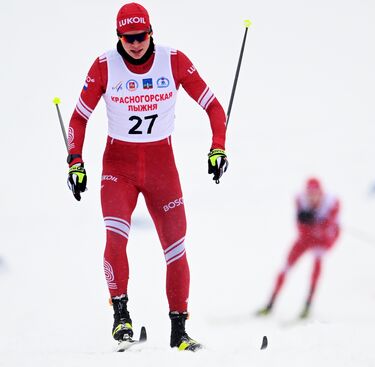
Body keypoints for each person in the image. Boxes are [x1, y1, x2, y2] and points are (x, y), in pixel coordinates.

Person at [65, 2, 228, 351]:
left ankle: (179, 330)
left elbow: (214, 106)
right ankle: (121, 317)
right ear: (118, 37)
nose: (135, 44)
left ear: (151, 32)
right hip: (118, 168)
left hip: (161, 168)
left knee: (176, 248)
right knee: (116, 235)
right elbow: (78, 118)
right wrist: (75, 163)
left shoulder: (174, 61)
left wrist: (218, 148)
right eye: (128, 38)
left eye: (140, 36)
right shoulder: (105, 66)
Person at [257, 178, 340, 319]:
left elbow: (332, 231)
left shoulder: (331, 204)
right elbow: (301, 230)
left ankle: (307, 305)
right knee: (285, 267)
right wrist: (308, 222)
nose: (313, 198)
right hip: (305, 239)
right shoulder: (300, 201)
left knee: (316, 267)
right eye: (310, 194)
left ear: (321, 194)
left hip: (322, 241)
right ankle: (270, 304)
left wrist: (319, 223)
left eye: (316, 194)